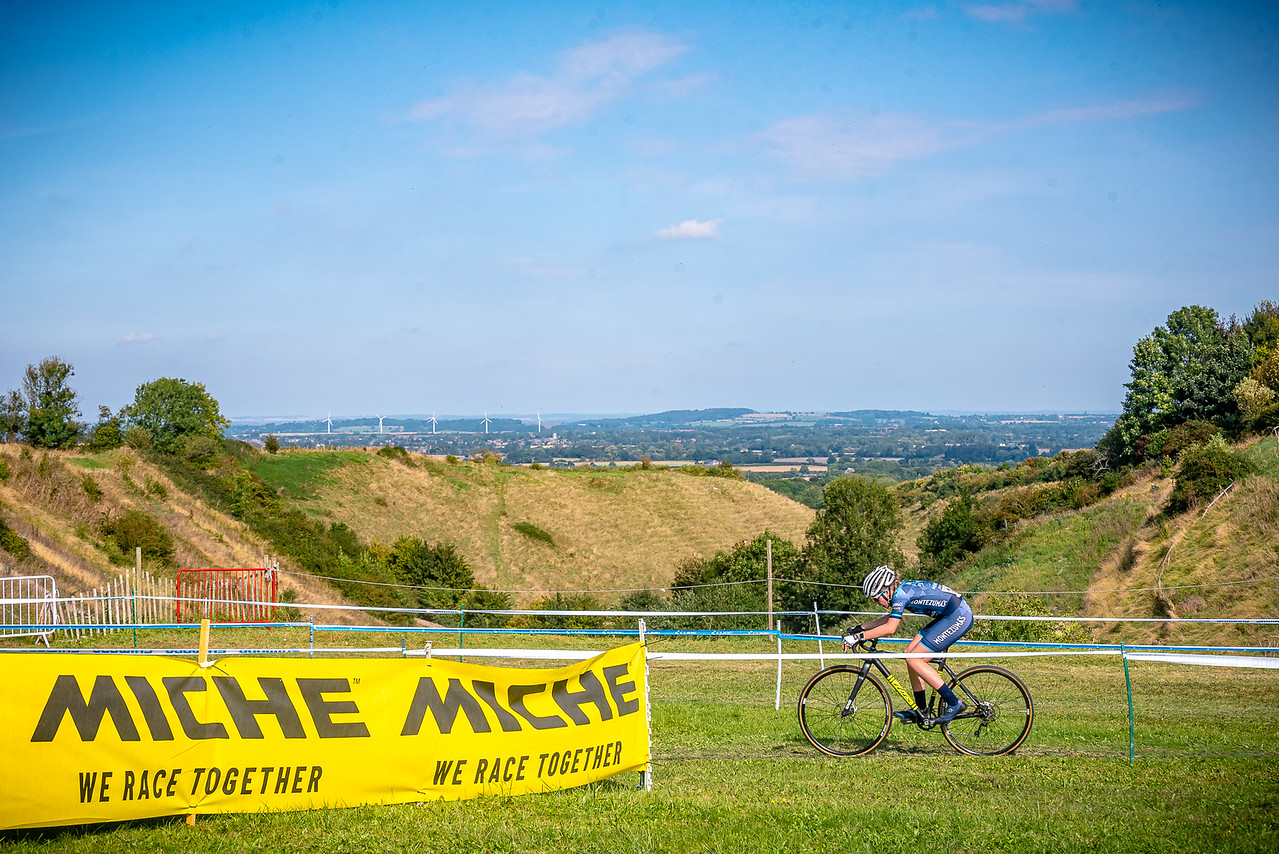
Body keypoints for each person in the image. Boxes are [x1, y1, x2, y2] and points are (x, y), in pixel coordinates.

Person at [842, 565, 973, 724]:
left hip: (958, 616)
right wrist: (861, 628)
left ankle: (954, 703)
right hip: (948, 615)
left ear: (886, 591)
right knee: (908, 652)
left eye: (876, 598)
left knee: (914, 659)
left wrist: (858, 637)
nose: (877, 603)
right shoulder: (900, 591)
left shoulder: (901, 595)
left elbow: (891, 628)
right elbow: (892, 617)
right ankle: (921, 709)